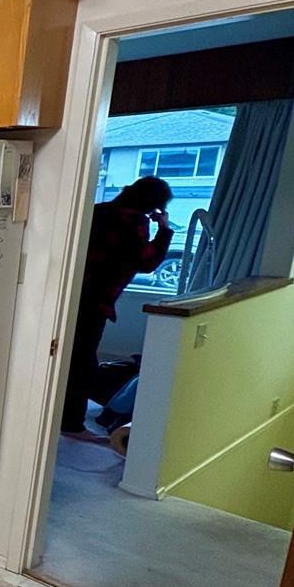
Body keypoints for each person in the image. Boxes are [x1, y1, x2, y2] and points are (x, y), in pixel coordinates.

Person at [62, 176, 174, 437]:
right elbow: (146, 262)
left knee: (74, 358)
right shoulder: (133, 222)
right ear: (154, 205)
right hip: (95, 300)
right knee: (82, 363)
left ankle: (67, 416)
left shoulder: (99, 211)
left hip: (72, 293)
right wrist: (164, 229)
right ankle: (71, 423)